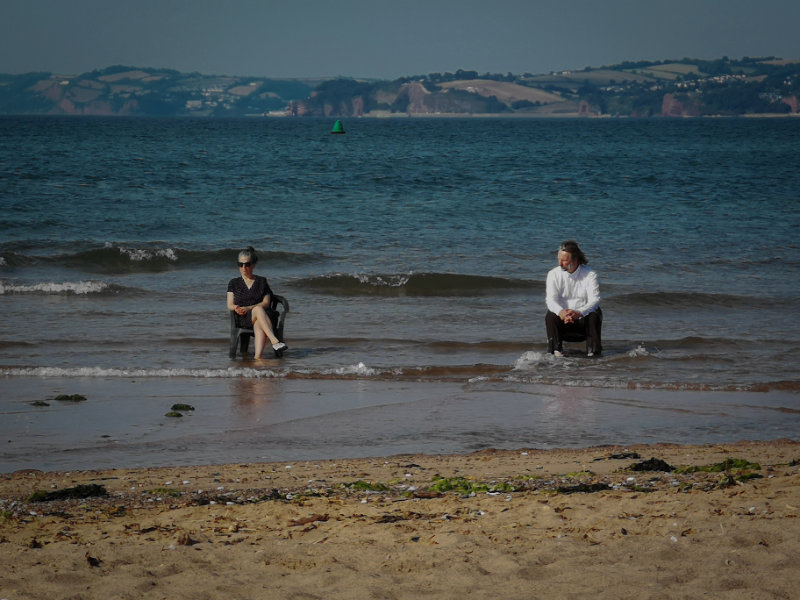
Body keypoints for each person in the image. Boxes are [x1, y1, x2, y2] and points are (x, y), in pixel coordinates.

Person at [227, 246, 287, 358]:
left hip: (265, 316)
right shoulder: (233, 283)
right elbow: (230, 304)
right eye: (241, 264)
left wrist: (250, 307)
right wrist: (237, 308)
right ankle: (275, 341)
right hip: (244, 317)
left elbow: (266, 303)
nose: (244, 267)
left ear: (253, 265)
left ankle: (258, 358)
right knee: (258, 311)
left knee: (259, 316)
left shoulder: (261, 281)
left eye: (247, 264)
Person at [545, 240, 602, 357]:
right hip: (563, 320)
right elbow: (550, 300)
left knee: (595, 313)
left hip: (583, 320)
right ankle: (554, 353)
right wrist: (561, 312)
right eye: (558, 259)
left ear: (575, 259)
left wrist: (579, 312)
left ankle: (594, 354)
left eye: (564, 260)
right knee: (550, 315)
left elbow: (595, 300)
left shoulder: (590, 274)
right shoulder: (553, 274)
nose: (560, 263)